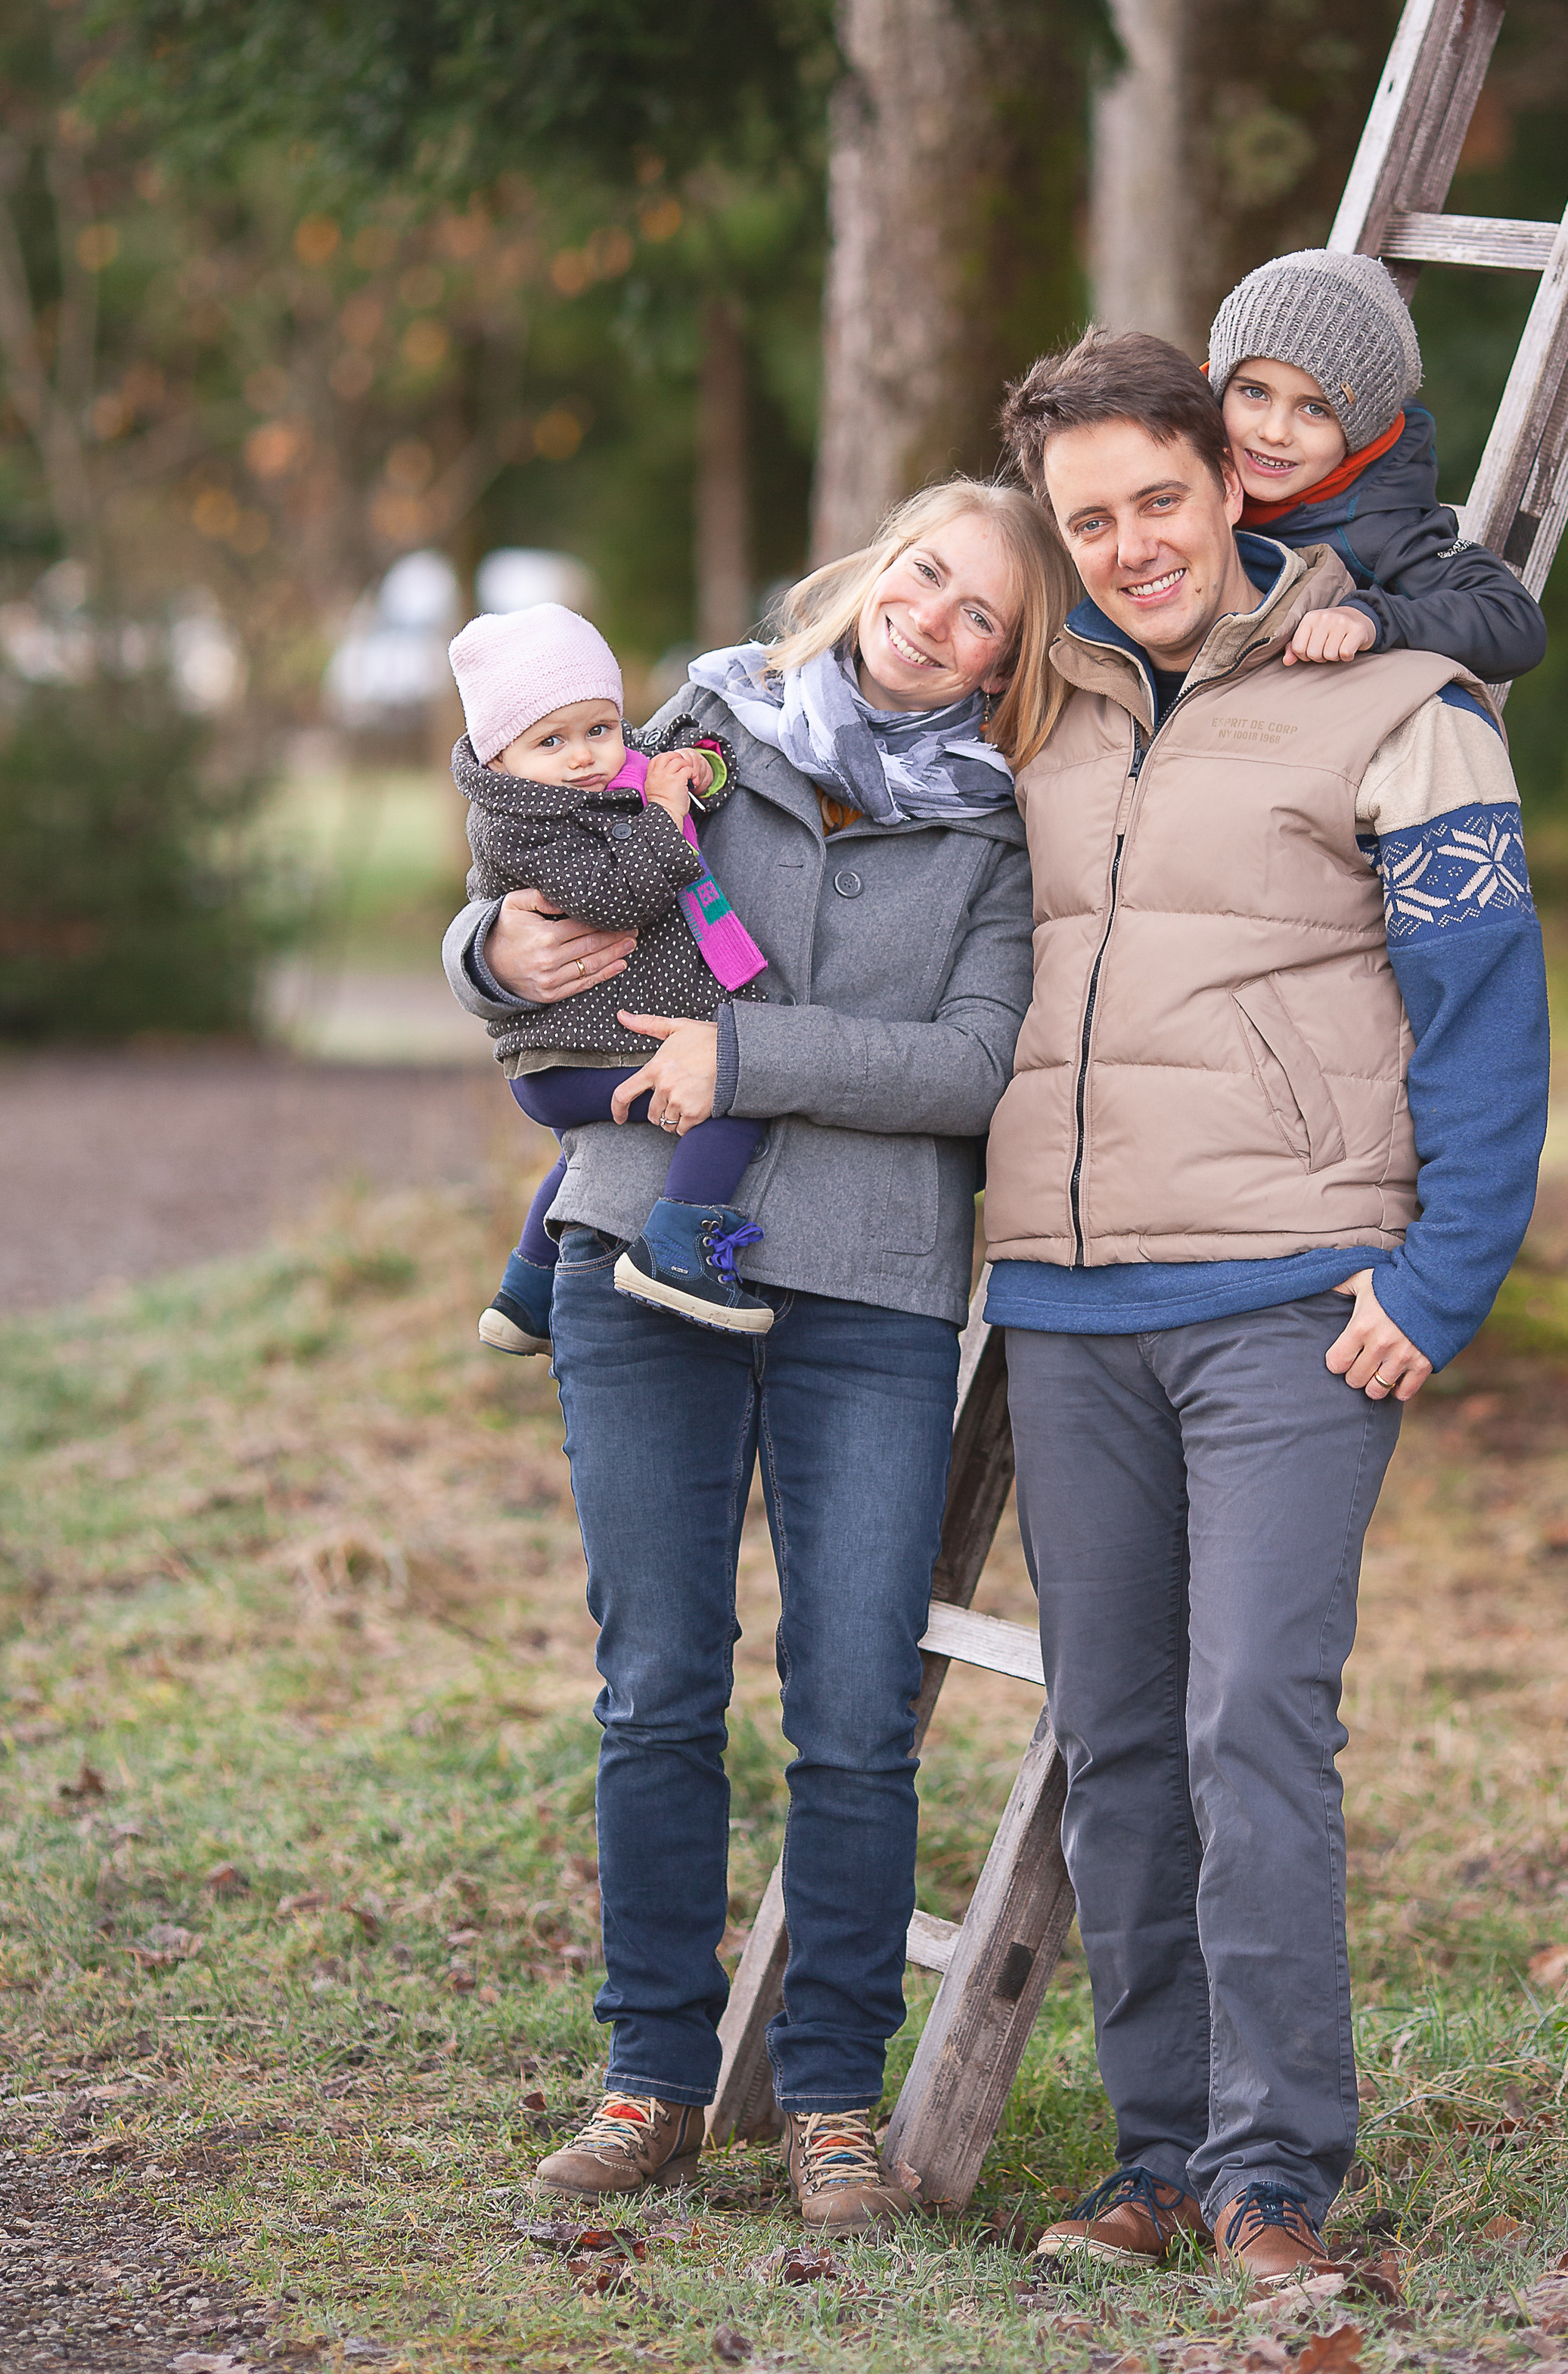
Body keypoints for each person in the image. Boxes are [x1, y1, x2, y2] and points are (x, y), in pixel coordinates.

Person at [440, 480, 1073, 2237]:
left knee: (857, 1711)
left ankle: (823, 2103)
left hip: (868, 1296)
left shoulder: (996, 834)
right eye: (926, 575)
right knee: (655, 1678)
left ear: (1005, 670)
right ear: (877, 567)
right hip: (636, 1252)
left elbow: (967, 1065)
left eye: (981, 622)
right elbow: (527, 836)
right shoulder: (708, 719)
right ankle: (648, 2074)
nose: (934, 620)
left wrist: (749, 1056)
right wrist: (486, 947)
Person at [984, 328, 1549, 2289]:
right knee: (1118, 1737)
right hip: (1065, 1306)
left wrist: (1442, 1274)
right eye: (1090, 522)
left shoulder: (1409, 697)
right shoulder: (1037, 709)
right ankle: (1155, 2160)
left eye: (1157, 498)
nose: (1130, 544)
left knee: (1251, 1723)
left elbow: (1489, 1010)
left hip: (1297, 1306)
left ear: (1233, 484)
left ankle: (1273, 2181)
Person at [448, 600, 779, 1358]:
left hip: (587, 1041)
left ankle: (526, 1293)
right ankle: (678, 1248)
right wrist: (663, 813)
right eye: (551, 741)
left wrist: (698, 768)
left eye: (598, 728)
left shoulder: (611, 772)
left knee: (582, 1154)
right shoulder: (517, 823)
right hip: (559, 1057)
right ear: (500, 757)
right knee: (729, 1091)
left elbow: (678, 761)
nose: (585, 756)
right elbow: (616, 897)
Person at [1209, 247, 1548, 680]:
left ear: (1359, 432)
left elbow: (1513, 619)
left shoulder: (1383, 528)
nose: (1275, 432)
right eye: (1254, 392)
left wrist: (1373, 619)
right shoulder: (1182, 470)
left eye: (1315, 409)